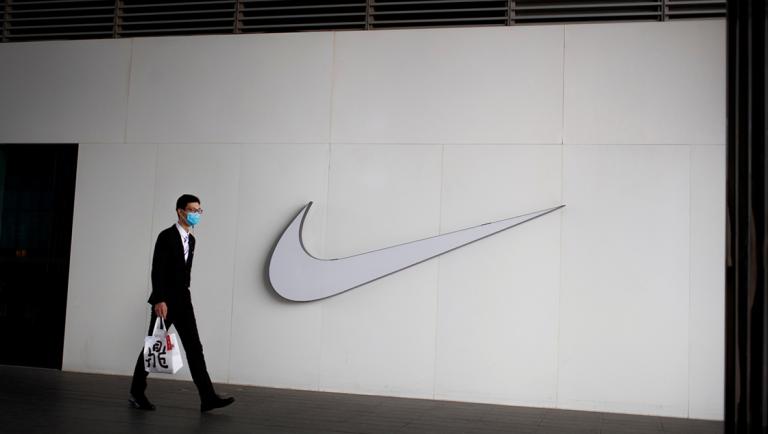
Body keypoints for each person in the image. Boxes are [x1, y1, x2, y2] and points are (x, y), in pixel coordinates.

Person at [129, 194, 235, 412]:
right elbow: (157, 269)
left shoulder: (192, 240)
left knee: (195, 348)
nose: (196, 214)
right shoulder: (166, 236)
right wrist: (159, 299)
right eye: (192, 210)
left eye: (199, 210)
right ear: (180, 211)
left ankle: (207, 397)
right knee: (153, 347)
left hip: (184, 300)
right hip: (165, 301)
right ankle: (136, 393)